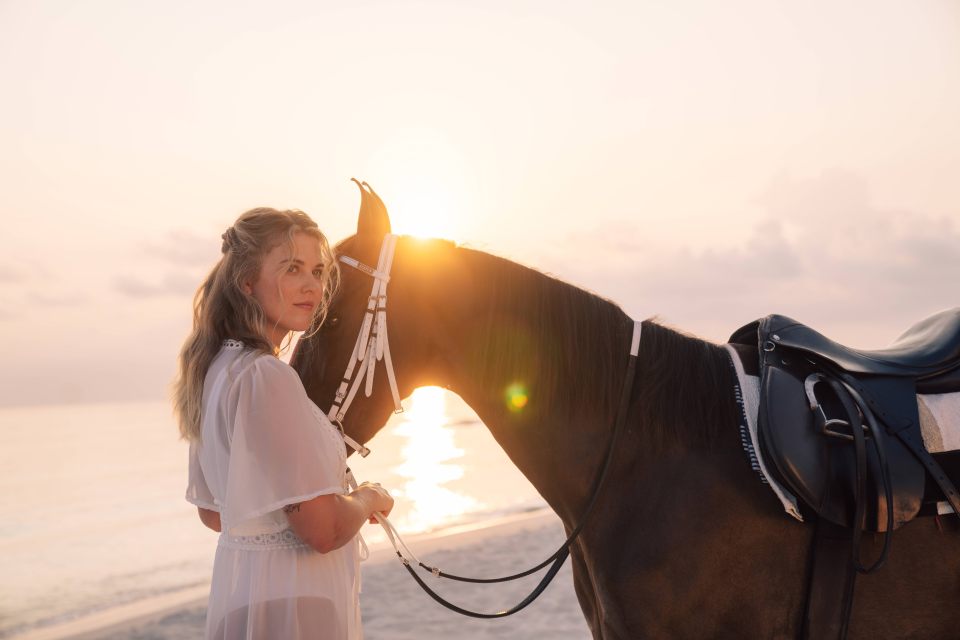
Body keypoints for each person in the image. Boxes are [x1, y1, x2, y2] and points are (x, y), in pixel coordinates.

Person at [173, 207, 393, 639]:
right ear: (247, 281)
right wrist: (369, 497)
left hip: (245, 597)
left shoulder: (216, 369)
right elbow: (323, 530)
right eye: (292, 269)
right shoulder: (266, 376)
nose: (312, 285)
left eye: (317, 270)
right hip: (293, 608)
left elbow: (217, 513)